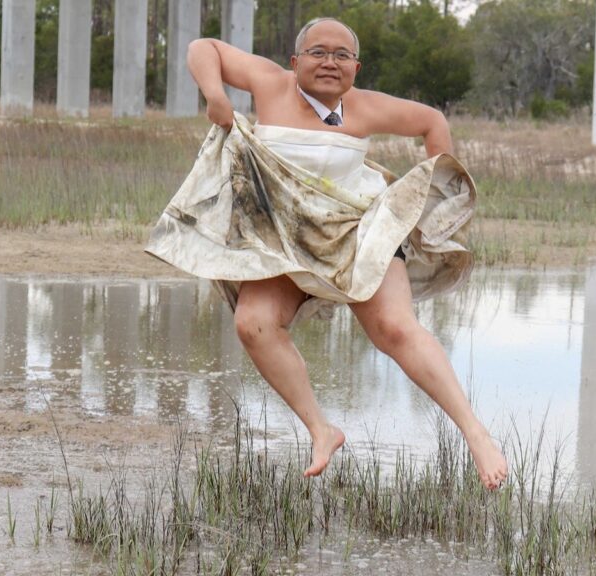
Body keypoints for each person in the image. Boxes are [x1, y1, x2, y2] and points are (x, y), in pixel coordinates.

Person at [175, 17, 507, 490]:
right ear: (295, 62)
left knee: (394, 328)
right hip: (284, 237)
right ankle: (321, 429)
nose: (329, 62)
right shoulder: (270, 85)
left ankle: (476, 433)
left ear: (356, 66)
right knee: (254, 324)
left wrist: (430, 201)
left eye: (341, 55)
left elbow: (433, 122)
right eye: (317, 52)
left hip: (359, 231)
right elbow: (202, 45)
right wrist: (216, 96)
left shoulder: (367, 108)